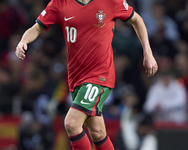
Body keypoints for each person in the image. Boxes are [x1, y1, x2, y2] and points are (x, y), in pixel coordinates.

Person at [15, 0, 158, 149]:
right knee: (97, 132)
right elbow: (36, 27)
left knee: (71, 123)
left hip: (100, 76)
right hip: (76, 78)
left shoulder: (110, 2)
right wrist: (23, 42)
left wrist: (147, 52)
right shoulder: (59, 3)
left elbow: (137, 19)